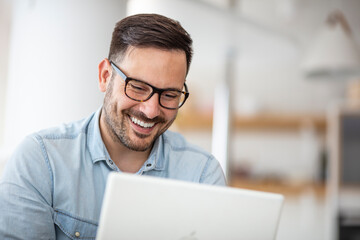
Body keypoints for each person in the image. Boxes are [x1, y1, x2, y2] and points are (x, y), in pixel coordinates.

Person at [0, 13, 226, 239]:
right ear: (105, 76)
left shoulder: (202, 175)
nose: (151, 110)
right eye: (137, 87)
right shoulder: (39, 161)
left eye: (169, 95)